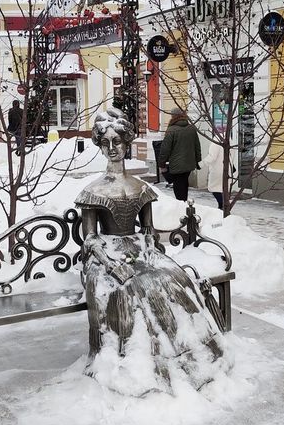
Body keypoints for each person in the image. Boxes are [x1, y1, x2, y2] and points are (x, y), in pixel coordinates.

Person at [76, 108, 227, 395]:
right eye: (105, 142)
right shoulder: (94, 191)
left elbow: (148, 231)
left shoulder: (139, 188)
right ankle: (141, 362)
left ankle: (191, 358)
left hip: (139, 250)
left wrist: (149, 249)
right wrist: (111, 263)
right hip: (106, 255)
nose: (112, 148)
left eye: (117, 141)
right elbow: (91, 240)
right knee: (130, 289)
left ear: (126, 142)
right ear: (98, 144)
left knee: (174, 278)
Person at [158, 107, 201, 201]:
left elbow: (165, 149)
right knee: (184, 183)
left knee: (178, 186)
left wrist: (162, 163)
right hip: (189, 163)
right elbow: (197, 146)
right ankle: (184, 203)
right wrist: (198, 161)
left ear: (173, 116)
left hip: (177, 165)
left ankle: (181, 205)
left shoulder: (171, 130)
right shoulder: (191, 128)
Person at [199, 141, 235, 210]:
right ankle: (223, 206)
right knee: (223, 188)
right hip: (227, 169)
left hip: (217, 169)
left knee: (214, 188)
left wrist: (201, 164)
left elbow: (212, 157)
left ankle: (222, 205)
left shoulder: (216, 141)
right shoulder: (230, 140)